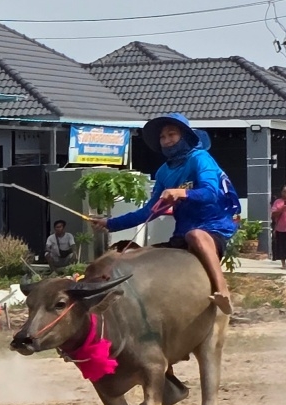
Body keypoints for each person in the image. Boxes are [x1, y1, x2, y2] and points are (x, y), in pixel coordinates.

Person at [93, 113, 238, 315]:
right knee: (136, 255)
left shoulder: (200, 159)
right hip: (181, 234)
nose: (167, 140)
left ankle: (222, 290)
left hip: (213, 228)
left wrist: (181, 193)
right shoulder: (163, 173)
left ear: (185, 136)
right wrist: (110, 223)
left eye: (172, 135)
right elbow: (148, 212)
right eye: (163, 137)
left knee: (195, 235)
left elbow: (211, 193)